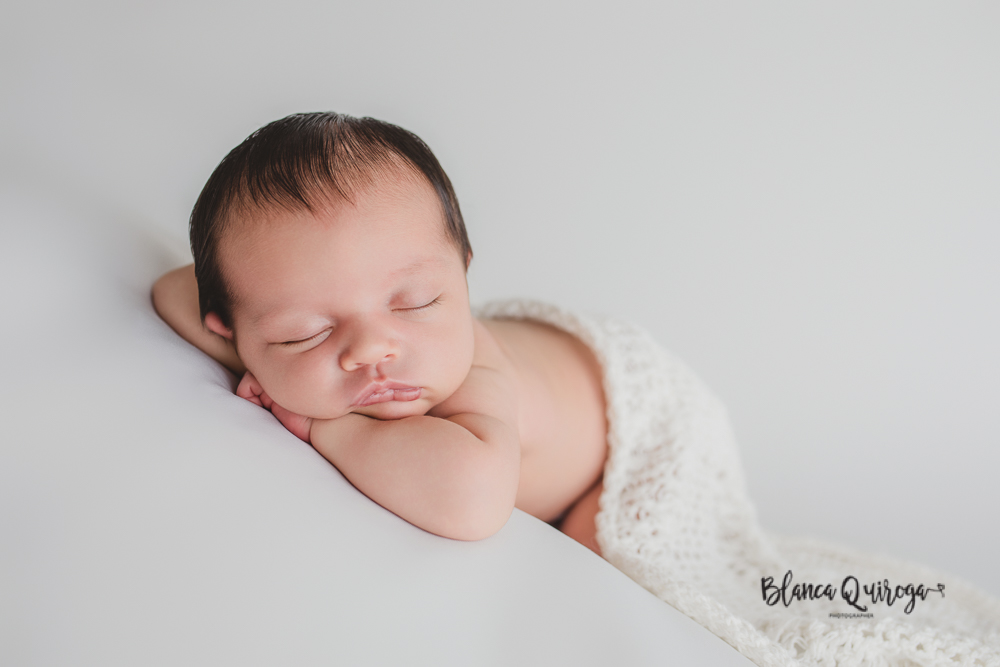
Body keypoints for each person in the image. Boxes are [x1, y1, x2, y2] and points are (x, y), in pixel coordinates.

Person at [152, 111, 606, 554]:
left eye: (416, 302)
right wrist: (263, 361)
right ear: (230, 332)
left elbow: (473, 503)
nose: (371, 349)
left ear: (463, 275)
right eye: (304, 333)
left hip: (617, 443)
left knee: (596, 545)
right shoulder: (261, 326)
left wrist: (320, 426)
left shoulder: (477, 377)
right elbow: (175, 290)